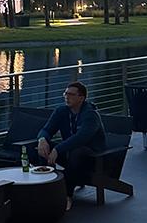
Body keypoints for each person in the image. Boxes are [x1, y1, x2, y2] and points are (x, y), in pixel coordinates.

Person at [36, 82, 106, 210]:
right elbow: (46, 129)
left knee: (76, 152)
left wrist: (57, 149)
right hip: (70, 152)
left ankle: (67, 195)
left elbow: (81, 138)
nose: (67, 97)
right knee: (42, 148)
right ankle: (46, 187)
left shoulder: (91, 115)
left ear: (81, 98)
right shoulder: (61, 111)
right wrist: (42, 140)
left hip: (93, 157)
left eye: (71, 94)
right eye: (65, 94)